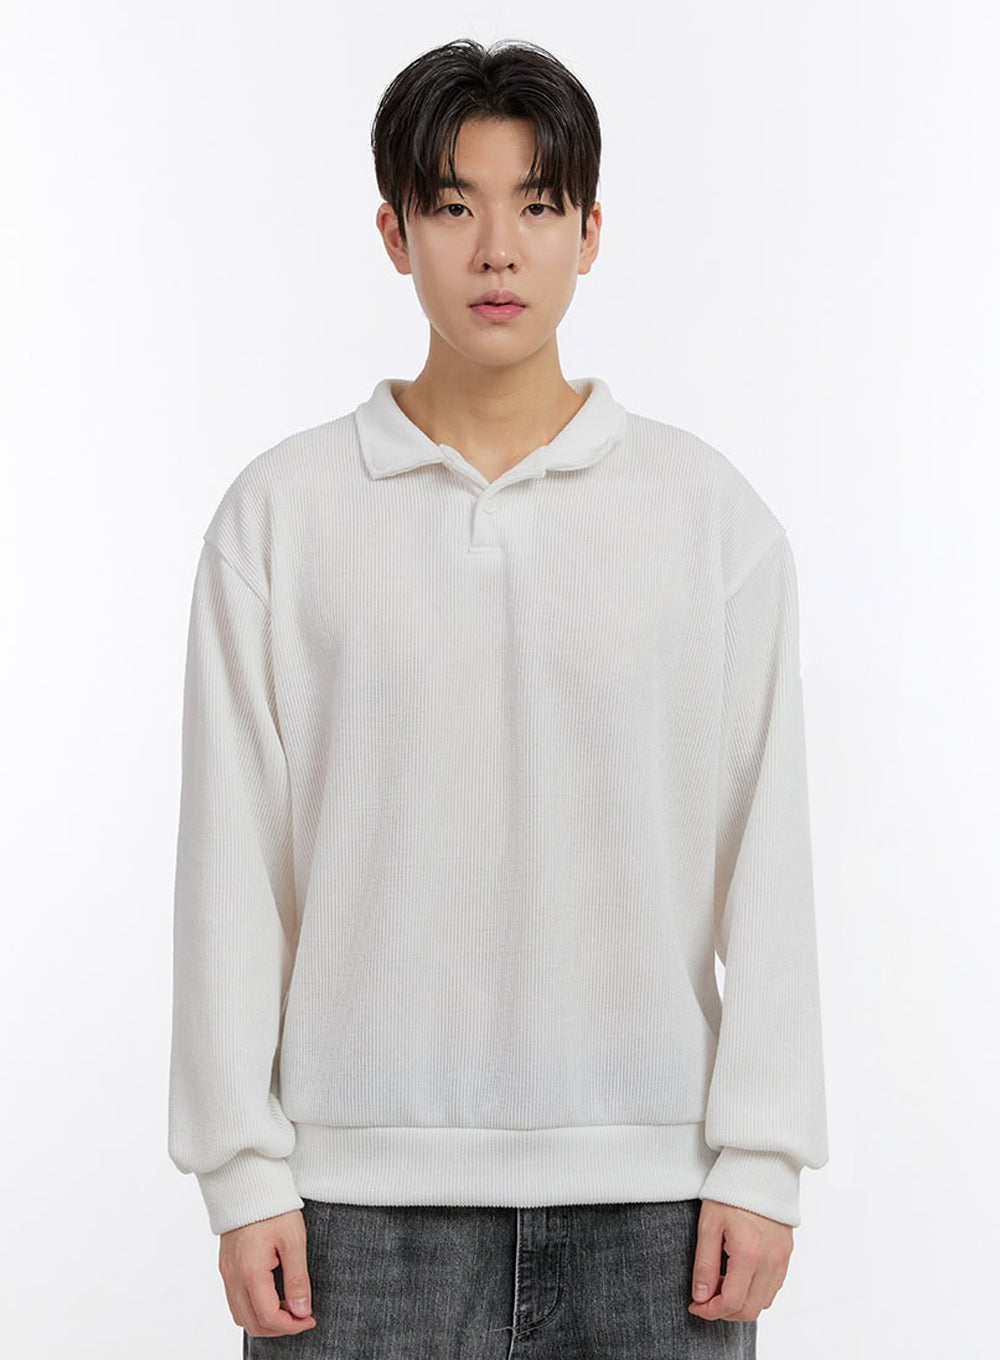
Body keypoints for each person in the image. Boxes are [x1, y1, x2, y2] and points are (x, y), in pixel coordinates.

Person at [167, 36, 829, 1359]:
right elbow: (232, 860)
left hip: (657, 1209)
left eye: (535, 204)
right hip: (353, 1218)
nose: (495, 250)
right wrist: (240, 1171)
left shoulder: (707, 519)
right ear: (393, 233)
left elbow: (768, 849)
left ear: (591, 232)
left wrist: (764, 1155)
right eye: (452, 205)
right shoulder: (283, 517)